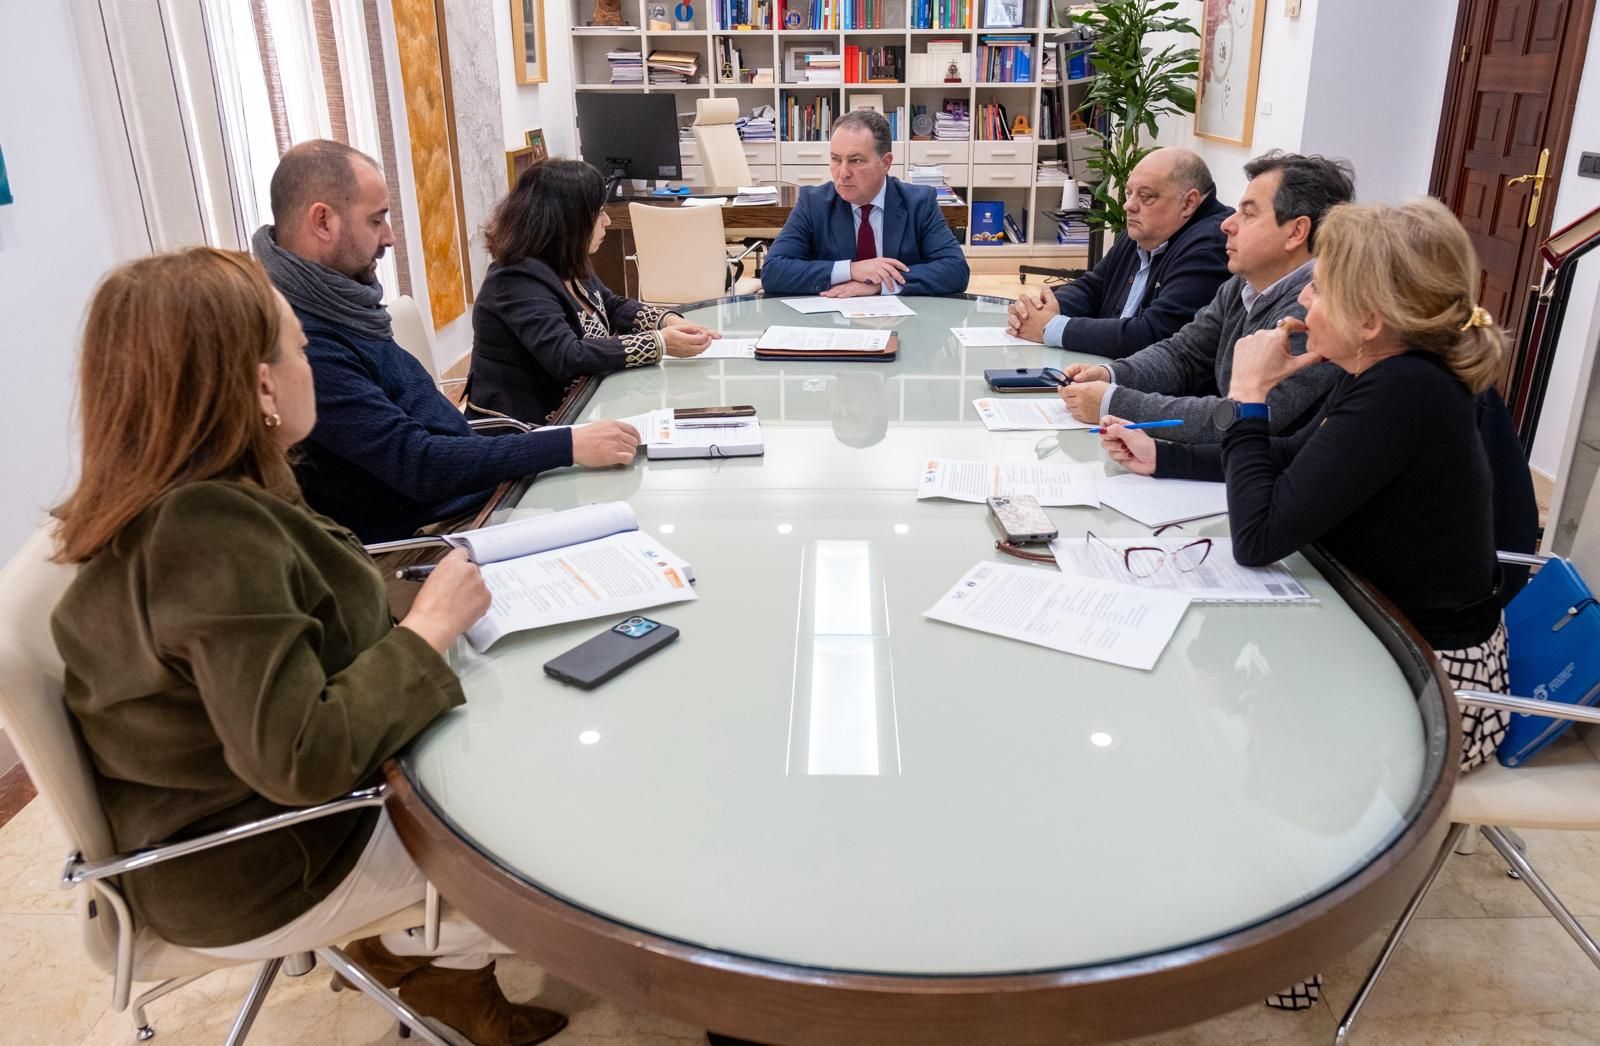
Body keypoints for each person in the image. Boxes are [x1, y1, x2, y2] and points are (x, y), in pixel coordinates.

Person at [51, 247, 567, 1046]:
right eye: (298, 348)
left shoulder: (193, 499)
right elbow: (301, 760)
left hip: (243, 824)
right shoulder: (202, 533)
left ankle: (430, 958)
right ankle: (426, 955)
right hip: (265, 867)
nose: (310, 365)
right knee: (555, 842)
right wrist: (429, 627)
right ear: (259, 386)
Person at [1096, 198, 1511, 1009]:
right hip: (1388, 636)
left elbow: (1262, 533)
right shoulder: (1387, 379)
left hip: (1445, 689)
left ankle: (1283, 952)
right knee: (1207, 687)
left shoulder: (1402, 395)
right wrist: (1165, 456)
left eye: (1322, 290)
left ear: (1369, 317)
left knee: (1210, 716)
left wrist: (1249, 395)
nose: (1305, 303)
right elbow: (1294, 463)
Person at [253, 139, 639, 544]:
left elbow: (435, 440)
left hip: (474, 490)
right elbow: (419, 464)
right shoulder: (305, 342)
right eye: (375, 220)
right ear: (323, 222)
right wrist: (565, 445)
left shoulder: (342, 303)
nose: (389, 238)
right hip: (438, 533)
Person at [1053, 152, 1354, 441]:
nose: (1227, 224)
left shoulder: (1313, 313)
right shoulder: (1243, 284)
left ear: (1296, 232)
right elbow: (1183, 354)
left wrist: (1113, 403)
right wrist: (1112, 375)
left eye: (1248, 213)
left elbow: (1241, 418)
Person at [467, 159, 723, 425]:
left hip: (580, 407)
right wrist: (659, 343)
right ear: (566, 221)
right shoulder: (515, 280)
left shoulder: (562, 259)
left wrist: (665, 320)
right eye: (598, 212)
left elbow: (610, 305)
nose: (608, 221)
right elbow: (566, 355)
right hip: (523, 431)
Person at [1006, 148, 1232, 358]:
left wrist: (1049, 327)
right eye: (1129, 193)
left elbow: (1154, 335)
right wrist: (1045, 309)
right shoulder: (1146, 229)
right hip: (1105, 372)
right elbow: (1094, 287)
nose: (1128, 205)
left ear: (1188, 203)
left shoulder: (1210, 245)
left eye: (1145, 197)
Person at [759, 109, 969, 297]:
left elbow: (955, 270)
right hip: (832, 322)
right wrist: (852, 270)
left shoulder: (918, 203)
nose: (843, 173)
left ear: (885, 163)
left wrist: (880, 284)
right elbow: (773, 272)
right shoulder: (813, 203)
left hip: (902, 322)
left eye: (856, 160)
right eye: (835, 159)